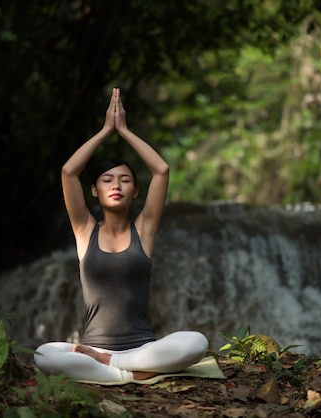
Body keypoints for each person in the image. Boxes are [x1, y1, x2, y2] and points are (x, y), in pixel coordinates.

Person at [34, 87, 209, 383]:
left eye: (125, 180)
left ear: (135, 191)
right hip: (91, 347)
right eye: (107, 180)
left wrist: (124, 130)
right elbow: (68, 172)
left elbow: (162, 170)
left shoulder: (144, 229)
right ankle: (128, 374)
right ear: (94, 190)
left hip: (143, 349)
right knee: (43, 354)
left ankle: (114, 366)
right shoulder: (84, 230)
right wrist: (105, 130)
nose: (116, 185)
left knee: (196, 342)